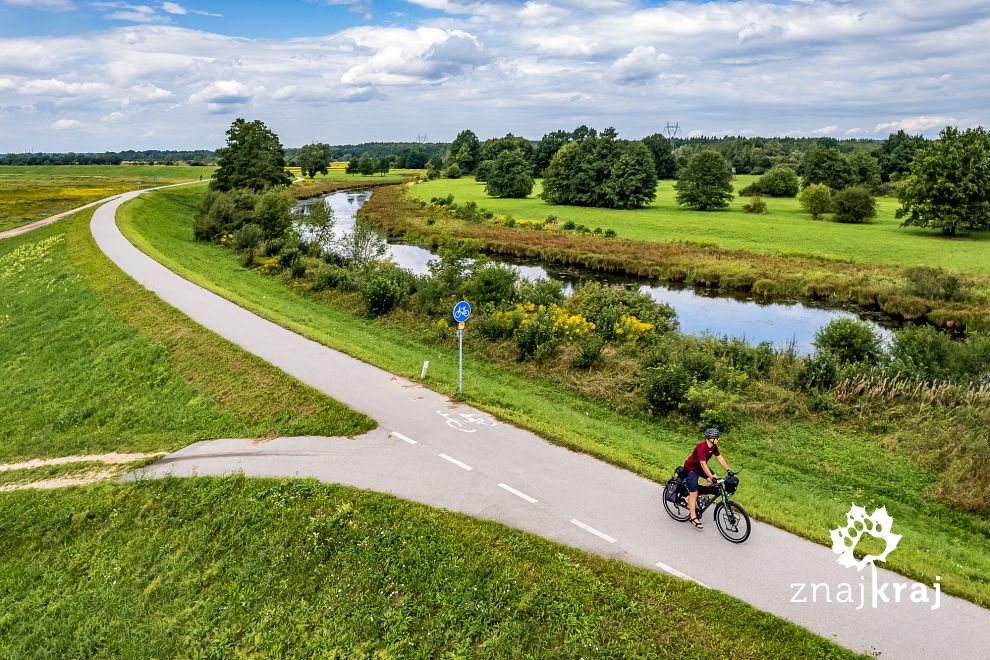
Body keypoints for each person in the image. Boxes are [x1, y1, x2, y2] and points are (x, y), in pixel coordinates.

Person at [683, 428, 731, 529]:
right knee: (693, 492)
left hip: (700, 467)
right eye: (717, 437)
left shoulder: (713, 446)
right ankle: (693, 517)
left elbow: (720, 458)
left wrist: (728, 470)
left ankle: (701, 497)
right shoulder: (702, 447)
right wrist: (710, 477)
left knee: (716, 480)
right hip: (691, 468)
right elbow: (703, 464)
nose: (719, 439)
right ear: (711, 438)